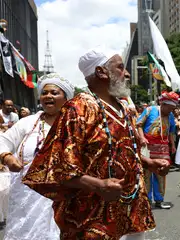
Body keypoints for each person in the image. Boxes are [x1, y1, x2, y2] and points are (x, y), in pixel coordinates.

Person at [23, 48, 170, 239]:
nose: (126, 74)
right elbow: (59, 167)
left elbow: (120, 151)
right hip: (93, 215)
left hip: (131, 209)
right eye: (120, 67)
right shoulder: (78, 109)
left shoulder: (123, 108)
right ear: (101, 72)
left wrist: (148, 163)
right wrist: (98, 185)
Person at [0, 73, 75, 240]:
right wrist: (7, 157)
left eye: (54, 93)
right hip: (26, 197)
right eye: (44, 92)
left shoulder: (75, 126)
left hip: (62, 197)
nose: (48, 96)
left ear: (67, 98)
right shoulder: (27, 123)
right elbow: (2, 141)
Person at [137, 91, 178, 210]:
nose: (171, 111)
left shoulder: (170, 115)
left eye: (172, 109)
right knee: (147, 173)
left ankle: (159, 200)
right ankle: (147, 200)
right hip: (148, 147)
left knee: (161, 173)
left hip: (163, 148)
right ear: (163, 104)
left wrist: (173, 145)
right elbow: (139, 124)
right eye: (169, 108)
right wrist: (142, 137)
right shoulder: (150, 110)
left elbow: (171, 131)